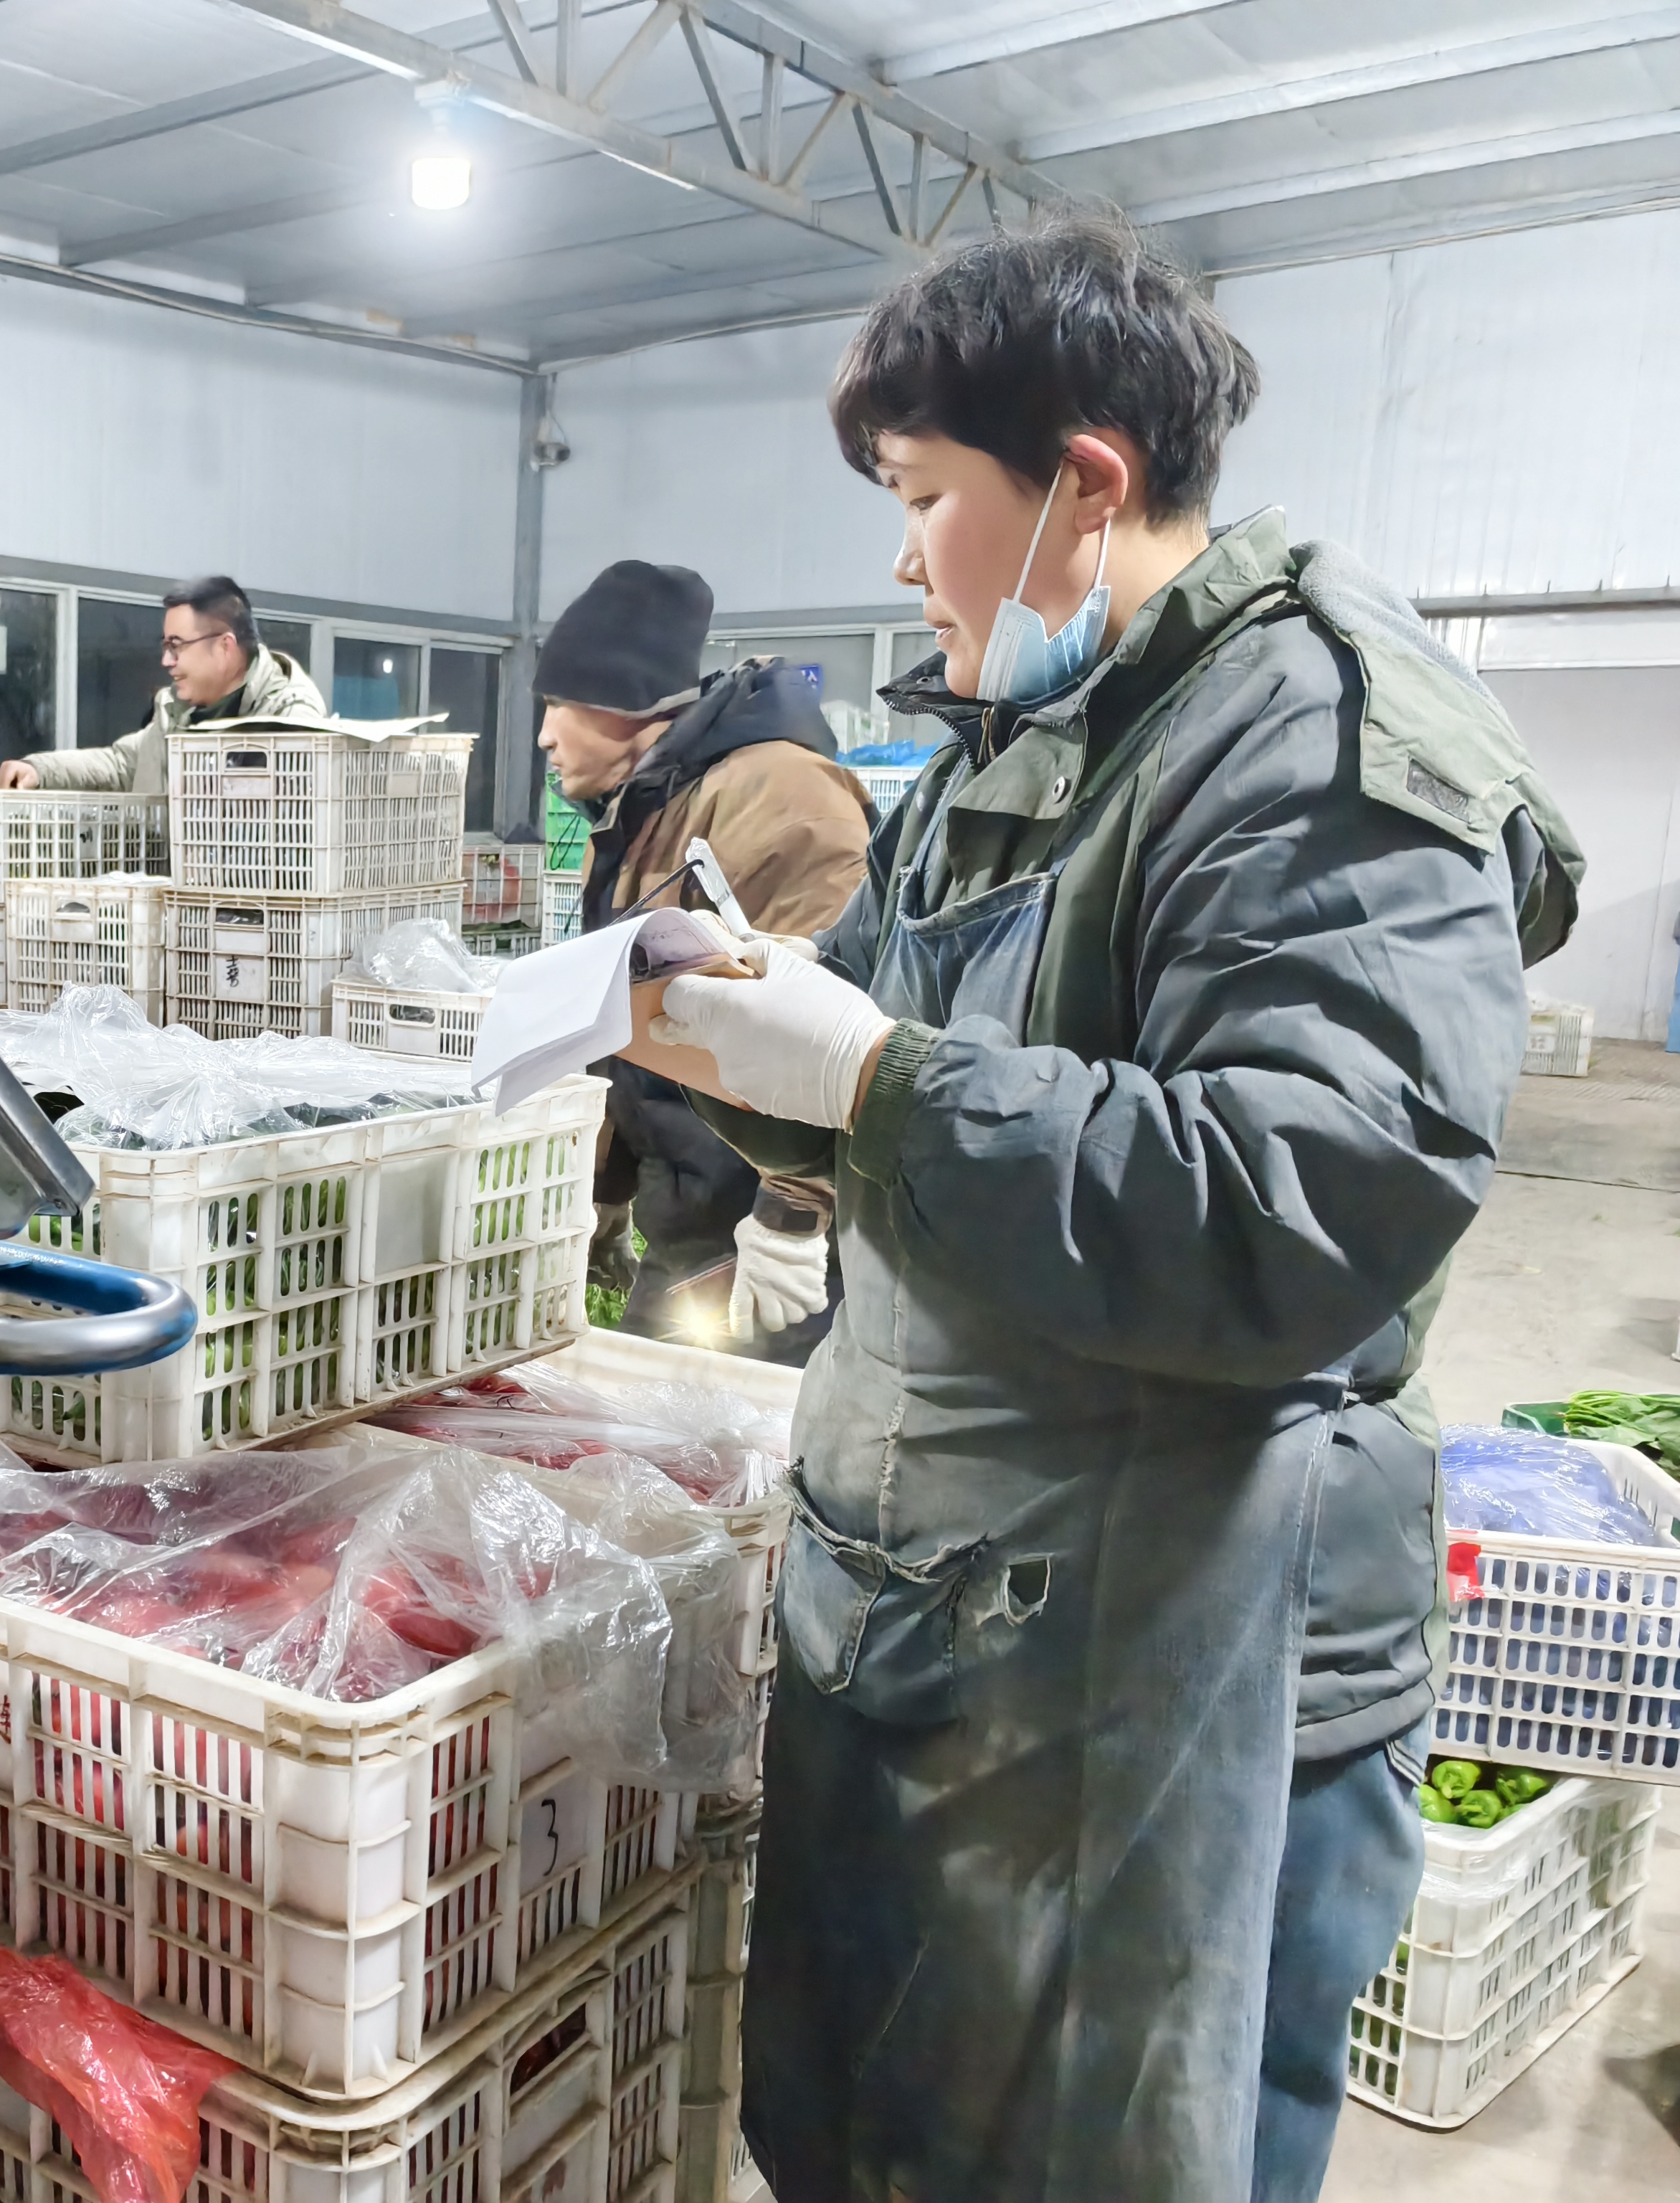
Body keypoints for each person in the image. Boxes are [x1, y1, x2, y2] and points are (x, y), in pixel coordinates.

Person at [629, 211, 1580, 2202]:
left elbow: (1304, 1198)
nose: (907, 559)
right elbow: (881, 1072)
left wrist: (875, 1081)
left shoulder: (1312, 735)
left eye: (924, 497)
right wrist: (730, 1047)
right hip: (957, 1626)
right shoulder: (1026, 738)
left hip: (1169, 1678)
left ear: (1083, 481)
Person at [542, 559, 873, 1357]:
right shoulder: (648, 808)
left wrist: (792, 1216)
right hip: (688, 1208)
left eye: (557, 705)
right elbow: (627, 1013)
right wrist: (607, 1193)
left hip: (755, 1228)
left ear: (622, 702)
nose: (545, 735)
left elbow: (834, 1015)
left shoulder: (783, 799)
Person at [0, 574, 324, 793]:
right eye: (165, 646)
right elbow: (122, 765)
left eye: (177, 646)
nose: (167, 661)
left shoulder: (292, 720)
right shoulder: (175, 714)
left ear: (225, 647)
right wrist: (39, 770)